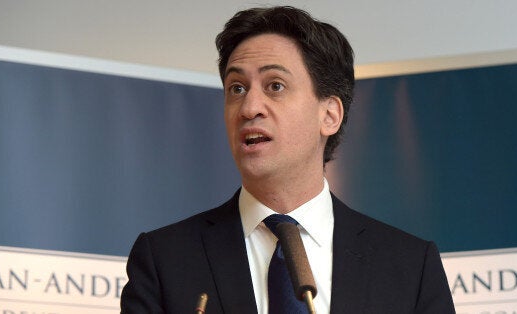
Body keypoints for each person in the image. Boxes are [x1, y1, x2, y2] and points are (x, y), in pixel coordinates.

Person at [121, 6, 455, 313]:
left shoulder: (409, 267)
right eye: (236, 88)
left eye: (275, 86)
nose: (250, 108)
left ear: (329, 115)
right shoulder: (165, 259)